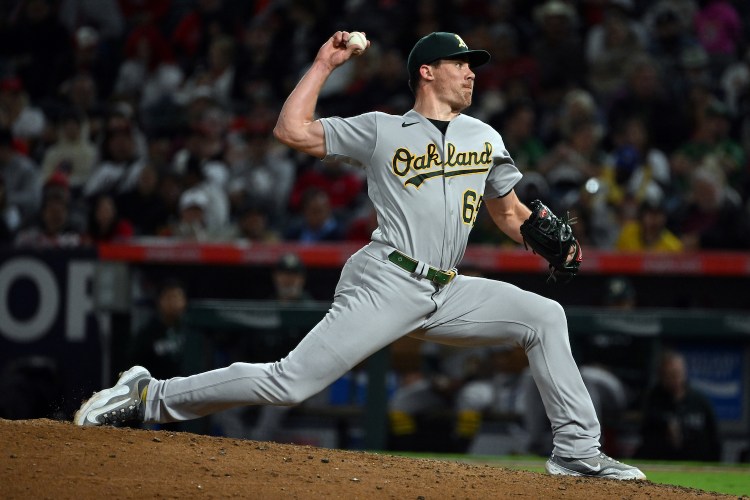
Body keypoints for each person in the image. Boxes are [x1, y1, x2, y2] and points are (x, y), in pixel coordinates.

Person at [74, 30, 645, 480]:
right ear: (427, 71)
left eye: (474, 63)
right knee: (288, 384)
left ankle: (577, 454)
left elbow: (509, 212)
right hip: (386, 280)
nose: (472, 70)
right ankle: (149, 396)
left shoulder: (484, 137)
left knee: (545, 317)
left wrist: (551, 240)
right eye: (461, 62)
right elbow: (292, 131)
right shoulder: (381, 129)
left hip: (447, 289)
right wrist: (324, 65)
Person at [636, 350, 721, 461]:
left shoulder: (699, 401)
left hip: (697, 464)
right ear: (661, 376)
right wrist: (666, 423)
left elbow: (714, 436)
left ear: (684, 373)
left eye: (676, 373)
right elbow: (645, 430)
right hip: (663, 463)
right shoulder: (653, 399)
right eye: (669, 375)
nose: (674, 379)